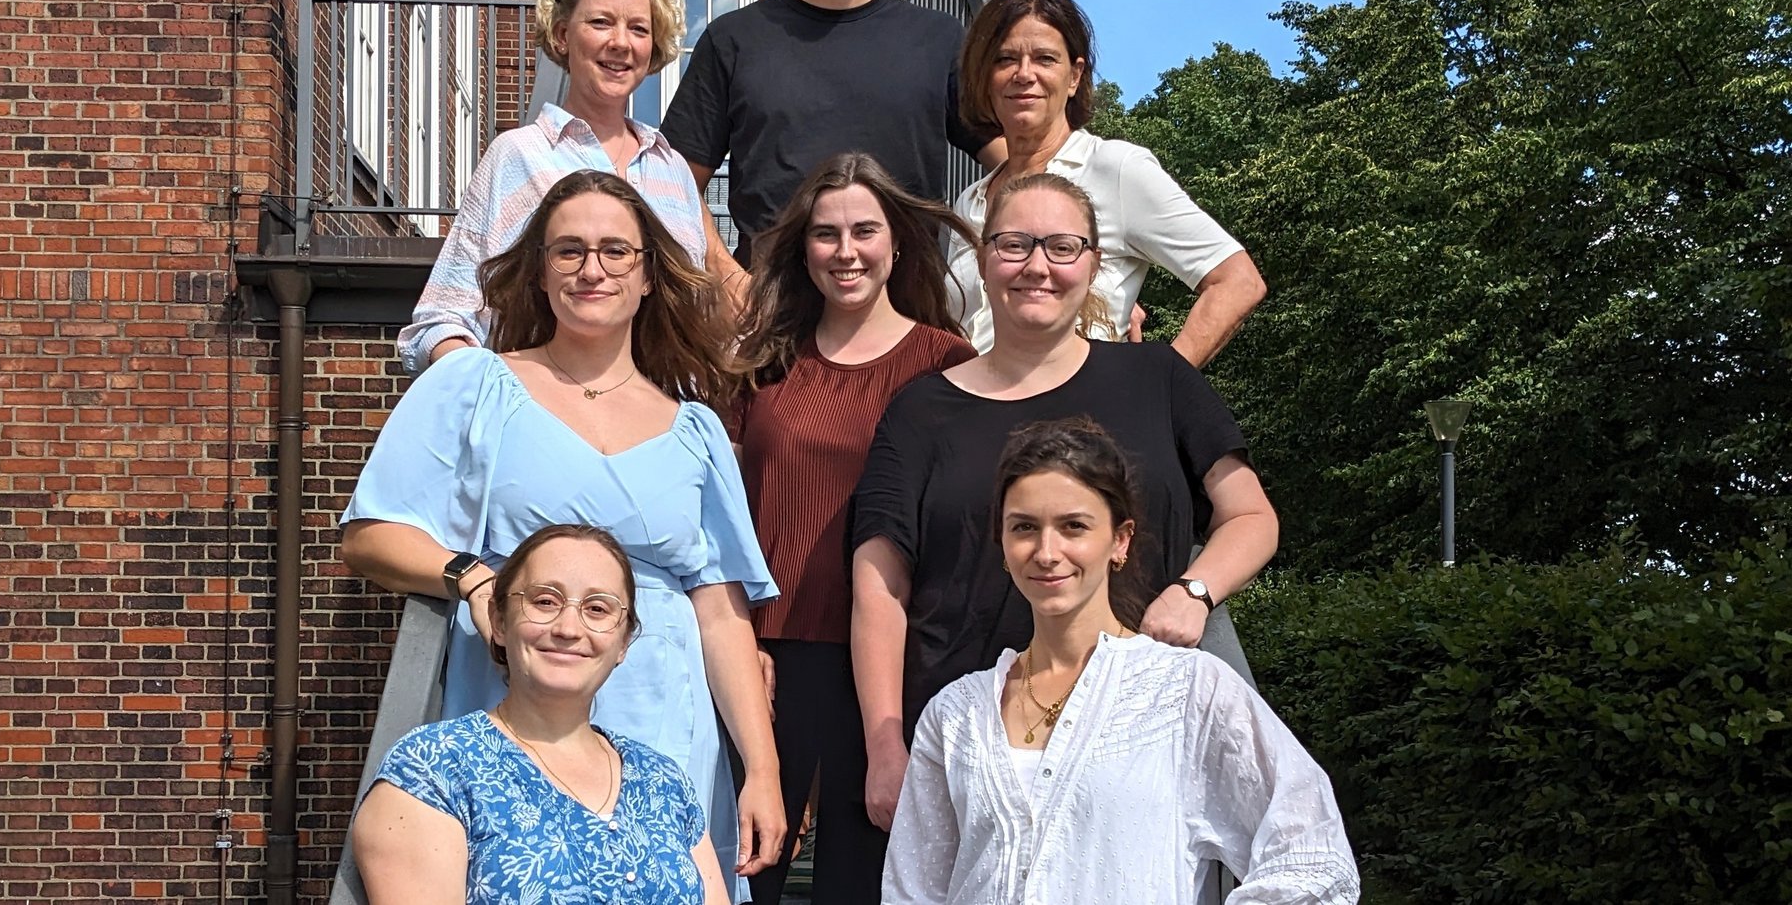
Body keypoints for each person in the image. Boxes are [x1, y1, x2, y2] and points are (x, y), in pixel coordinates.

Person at [344, 170, 784, 899]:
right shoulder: (475, 385)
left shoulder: (696, 429)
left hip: (668, 715)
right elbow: (369, 535)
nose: (592, 269)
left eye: (616, 251)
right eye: (569, 250)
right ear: (540, 273)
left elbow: (720, 609)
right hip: (524, 685)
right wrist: (473, 577)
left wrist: (761, 769)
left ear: (649, 277)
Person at [849, 172, 1279, 832]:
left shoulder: (1158, 379)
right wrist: (885, 746)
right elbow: (880, 587)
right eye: (1015, 245)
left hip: (1139, 738)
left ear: (1095, 264)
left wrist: (1194, 591)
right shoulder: (921, 408)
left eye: (1062, 246)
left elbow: (1251, 518)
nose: (1037, 267)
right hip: (977, 748)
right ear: (985, 260)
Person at [881, 419, 1359, 904]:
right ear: (1002, 544)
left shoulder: (1187, 691)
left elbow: (1313, 857)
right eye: (1024, 527)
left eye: (1074, 526)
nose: (1047, 552)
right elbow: (912, 890)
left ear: (1120, 540)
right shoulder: (955, 715)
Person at [730, 153, 978, 904]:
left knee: (861, 878)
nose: (846, 252)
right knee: (751, 868)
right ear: (802, 249)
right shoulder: (764, 363)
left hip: (890, 666)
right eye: (826, 233)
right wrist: (741, 638)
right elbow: (725, 515)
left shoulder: (946, 364)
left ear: (896, 243)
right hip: (768, 660)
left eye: (864, 231)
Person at [659, 0, 1000, 263]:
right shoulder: (735, 40)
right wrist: (726, 281)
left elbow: (1020, 161)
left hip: (905, 313)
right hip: (769, 313)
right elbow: (674, 183)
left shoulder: (939, 40)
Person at [399, 0, 742, 374]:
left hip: (656, 419)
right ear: (563, 35)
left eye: (638, 28)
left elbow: (697, 317)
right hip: (546, 418)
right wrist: (493, 396)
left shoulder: (668, 167)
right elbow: (442, 317)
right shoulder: (519, 156)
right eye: (601, 23)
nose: (620, 43)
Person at [353, 523, 732, 905]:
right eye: (545, 602)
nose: (569, 628)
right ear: (499, 621)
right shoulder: (435, 768)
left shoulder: (664, 782)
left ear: (623, 642)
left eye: (597, 609)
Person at [949, 0, 1266, 364]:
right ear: (985, 76)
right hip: (971, 414)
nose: (1024, 74)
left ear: (1075, 76)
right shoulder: (970, 202)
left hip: (1074, 419)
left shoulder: (1115, 169)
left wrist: (1159, 390)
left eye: (1045, 58)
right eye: (1005, 59)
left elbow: (1237, 280)